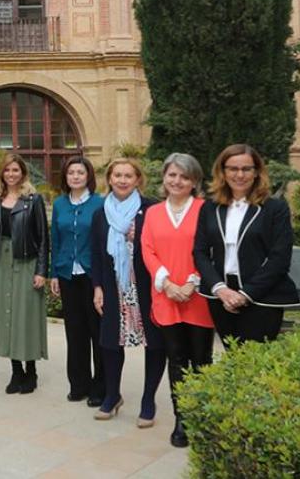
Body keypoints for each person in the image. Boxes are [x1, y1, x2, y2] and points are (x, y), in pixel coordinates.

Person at [140, 153, 213, 446]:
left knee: (201, 360)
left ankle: (203, 416)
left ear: (194, 181)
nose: (177, 181)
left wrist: (193, 282)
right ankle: (182, 419)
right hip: (166, 295)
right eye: (172, 175)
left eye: (184, 176)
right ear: (164, 178)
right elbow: (147, 249)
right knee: (176, 360)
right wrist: (167, 283)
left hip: (198, 297)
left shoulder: (205, 210)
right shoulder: (154, 212)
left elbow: (210, 250)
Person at [193, 144, 299, 345]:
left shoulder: (274, 208)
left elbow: (280, 258)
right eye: (233, 169)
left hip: (261, 294)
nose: (239, 175)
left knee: (256, 361)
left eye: (246, 169)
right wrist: (220, 289)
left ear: (257, 172)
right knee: (233, 357)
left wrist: (246, 294)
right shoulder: (210, 207)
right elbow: (200, 252)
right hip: (221, 295)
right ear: (222, 172)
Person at [89, 157, 165, 427]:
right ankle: (112, 396)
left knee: (154, 343)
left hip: (144, 285)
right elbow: (96, 254)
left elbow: (161, 247)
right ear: (109, 178)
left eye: (128, 176)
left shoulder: (152, 209)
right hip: (114, 286)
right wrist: (97, 287)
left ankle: (148, 400)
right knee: (110, 342)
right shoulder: (100, 213)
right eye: (117, 175)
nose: (122, 180)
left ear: (137, 180)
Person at [0, 153, 49, 395]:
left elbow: (43, 238)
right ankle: (15, 371)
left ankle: (30, 371)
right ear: (2, 173)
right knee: (6, 316)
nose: (11, 174)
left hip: (26, 262)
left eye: (16, 170)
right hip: (1, 261)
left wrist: (42, 271)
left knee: (25, 315)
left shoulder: (33, 200)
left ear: (23, 173)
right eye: (7, 170)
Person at [49, 156, 105, 407]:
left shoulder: (99, 204)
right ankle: (78, 385)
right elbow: (55, 240)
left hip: (92, 276)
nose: (75, 176)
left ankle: (100, 387)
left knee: (97, 332)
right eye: (71, 172)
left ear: (88, 176)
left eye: (80, 172)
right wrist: (53, 273)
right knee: (75, 332)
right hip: (67, 275)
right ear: (65, 177)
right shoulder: (60, 204)